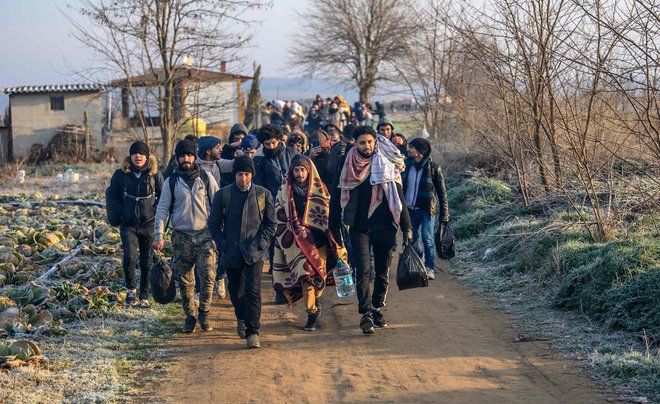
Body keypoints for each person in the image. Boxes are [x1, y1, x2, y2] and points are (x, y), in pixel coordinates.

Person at [329, 126, 412, 335]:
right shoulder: (346, 164)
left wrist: (407, 227)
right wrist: (333, 226)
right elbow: (337, 192)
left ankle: (376, 308)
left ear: (375, 142)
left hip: (385, 226)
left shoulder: (386, 163)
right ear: (355, 144)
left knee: (383, 272)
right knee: (363, 270)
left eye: (369, 142)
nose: (366, 146)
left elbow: (398, 196)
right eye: (362, 143)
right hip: (359, 227)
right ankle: (365, 312)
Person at [272, 155, 347, 331]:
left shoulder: (320, 190)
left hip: (319, 242)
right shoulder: (284, 191)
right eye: (296, 170)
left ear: (309, 170)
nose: (299, 174)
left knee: (317, 277)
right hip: (297, 243)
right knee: (306, 278)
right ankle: (311, 312)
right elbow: (279, 215)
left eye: (302, 170)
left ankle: (315, 302)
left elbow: (330, 216)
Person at [208, 156, 276, 349]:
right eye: (240, 174)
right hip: (231, 252)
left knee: (253, 291)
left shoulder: (263, 195)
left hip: (255, 253)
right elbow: (213, 224)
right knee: (236, 292)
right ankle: (241, 317)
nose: (243, 178)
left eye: (247, 174)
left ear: (252, 175)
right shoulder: (223, 195)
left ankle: (253, 332)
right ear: (234, 175)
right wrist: (222, 244)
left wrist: (260, 244)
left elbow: (271, 224)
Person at [153, 139, 219, 333]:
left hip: (205, 235)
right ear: (177, 158)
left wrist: (219, 230)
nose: (186, 159)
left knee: (207, 276)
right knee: (185, 280)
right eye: (182, 156)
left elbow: (217, 203)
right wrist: (159, 234)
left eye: (189, 155)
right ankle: (189, 317)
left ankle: (204, 313)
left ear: (194, 157)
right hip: (181, 236)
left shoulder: (205, 178)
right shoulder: (171, 182)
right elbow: (163, 209)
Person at [106, 141, 164, 307]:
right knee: (129, 257)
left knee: (147, 260)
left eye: (141, 154)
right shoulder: (121, 175)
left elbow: (164, 199)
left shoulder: (155, 176)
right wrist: (119, 214)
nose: (138, 156)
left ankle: (144, 295)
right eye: (134, 153)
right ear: (130, 156)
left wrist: (160, 226)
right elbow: (113, 195)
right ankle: (131, 291)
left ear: (147, 156)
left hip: (149, 224)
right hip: (129, 225)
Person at [253, 124, 297, 304]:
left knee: (295, 247)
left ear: (279, 140)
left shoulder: (292, 153)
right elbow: (259, 188)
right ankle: (280, 290)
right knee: (276, 250)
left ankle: (296, 287)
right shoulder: (259, 160)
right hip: (272, 209)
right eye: (266, 144)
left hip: (293, 206)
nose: (270, 147)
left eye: (273, 143)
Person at [402, 138, 449, 280]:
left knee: (427, 238)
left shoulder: (434, 167)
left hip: (427, 210)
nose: (408, 149)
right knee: (413, 238)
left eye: (411, 147)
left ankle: (429, 268)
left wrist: (444, 214)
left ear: (420, 151)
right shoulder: (405, 165)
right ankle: (420, 259)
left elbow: (441, 192)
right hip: (409, 209)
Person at [197, 136, 237, 300]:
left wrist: (245, 151)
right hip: (200, 217)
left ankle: (219, 277)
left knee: (221, 250)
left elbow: (235, 165)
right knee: (202, 254)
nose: (220, 150)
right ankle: (200, 289)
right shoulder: (195, 167)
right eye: (217, 147)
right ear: (208, 151)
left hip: (218, 213)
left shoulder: (218, 163)